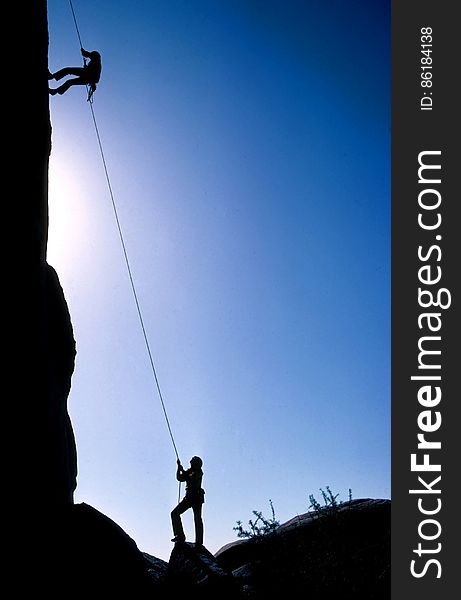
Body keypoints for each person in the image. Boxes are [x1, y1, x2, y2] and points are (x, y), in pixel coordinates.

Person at [171, 456, 205, 547]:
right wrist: (179, 469)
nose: (190, 462)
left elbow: (190, 477)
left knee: (197, 519)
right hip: (189, 498)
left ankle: (199, 542)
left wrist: (184, 471)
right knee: (174, 513)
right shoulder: (190, 471)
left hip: (196, 498)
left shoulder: (198, 472)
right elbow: (180, 478)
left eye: (192, 461)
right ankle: (180, 535)